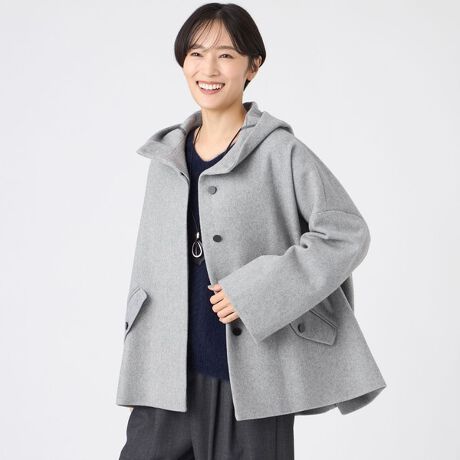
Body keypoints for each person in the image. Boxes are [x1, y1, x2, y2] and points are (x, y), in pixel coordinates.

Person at [118, 2, 386, 459]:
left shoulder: (281, 152)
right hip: (165, 381)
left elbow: (346, 233)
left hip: (250, 385)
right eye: (196, 54)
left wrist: (259, 290)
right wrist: (139, 361)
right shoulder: (164, 159)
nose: (208, 69)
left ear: (252, 66)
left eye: (225, 55)